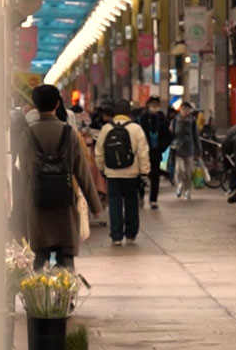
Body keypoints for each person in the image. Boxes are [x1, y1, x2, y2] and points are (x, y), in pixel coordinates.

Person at [18, 83, 102, 271]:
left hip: (38, 203)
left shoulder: (27, 135)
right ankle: (68, 289)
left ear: (35, 105)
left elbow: (23, 174)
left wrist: (25, 204)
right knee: (66, 259)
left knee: (40, 259)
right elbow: (82, 171)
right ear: (57, 104)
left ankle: (38, 289)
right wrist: (95, 205)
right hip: (65, 202)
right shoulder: (69, 133)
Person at [95, 99, 150, 245]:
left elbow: (99, 152)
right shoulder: (136, 129)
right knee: (131, 203)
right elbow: (143, 152)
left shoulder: (106, 128)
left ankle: (116, 236)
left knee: (114, 204)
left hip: (112, 173)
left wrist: (101, 168)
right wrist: (144, 171)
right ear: (129, 113)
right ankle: (131, 234)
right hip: (132, 173)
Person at [139, 96, 172, 209]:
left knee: (155, 177)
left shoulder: (163, 119)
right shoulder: (142, 118)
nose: (154, 106)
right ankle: (141, 196)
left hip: (156, 153)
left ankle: (153, 199)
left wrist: (162, 147)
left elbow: (168, 136)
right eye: (152, 104)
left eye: (156, 104)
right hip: (143, 152)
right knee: (142, 176)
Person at [171, 100, 201, 200]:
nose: (185, 111)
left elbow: (196, 136)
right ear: (180, 110)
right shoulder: (175, 121)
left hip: (189, 148)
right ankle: (179, 185)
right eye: (184, 109)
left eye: (187, 109)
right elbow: (171, 134)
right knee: (179, 169)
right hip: (178, 148)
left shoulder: (192, 122)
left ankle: (187, 190)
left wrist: (198, 150)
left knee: (188, 172)